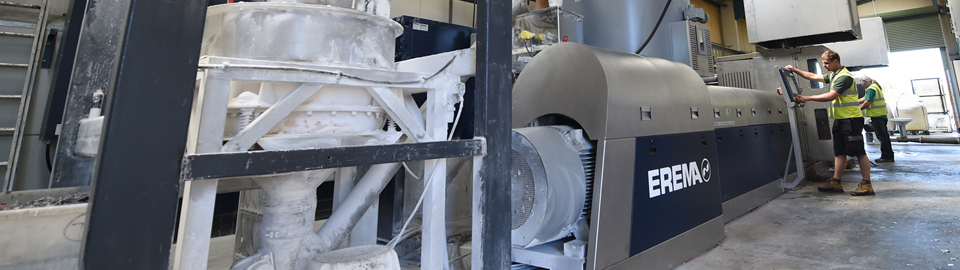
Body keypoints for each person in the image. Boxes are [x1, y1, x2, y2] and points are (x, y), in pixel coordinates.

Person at [785, 50, 875, 196]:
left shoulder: (844, 77)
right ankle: (835, 182)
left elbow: (831, 96)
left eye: (826, 62)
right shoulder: (834, 75)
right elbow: (813, 76)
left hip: (851, 119)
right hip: (841, 119)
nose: (824, 65)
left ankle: (867, 184)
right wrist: (794, 70)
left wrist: (808, 98)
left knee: (859, 152)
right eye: (823, 62)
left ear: (835, 61)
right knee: (839, 152)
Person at [859, 76, 894, 163]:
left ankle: (886, 156)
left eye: (862, 83)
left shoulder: (871, 89)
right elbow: (864, 98)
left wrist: (858, 109)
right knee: (884, 137)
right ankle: (889, 155)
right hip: (881, 115)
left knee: (882, 137)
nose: (862, 85)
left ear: (866, 82)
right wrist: (853, 101)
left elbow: (868, 102)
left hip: (877, 116)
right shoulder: (875, 87)